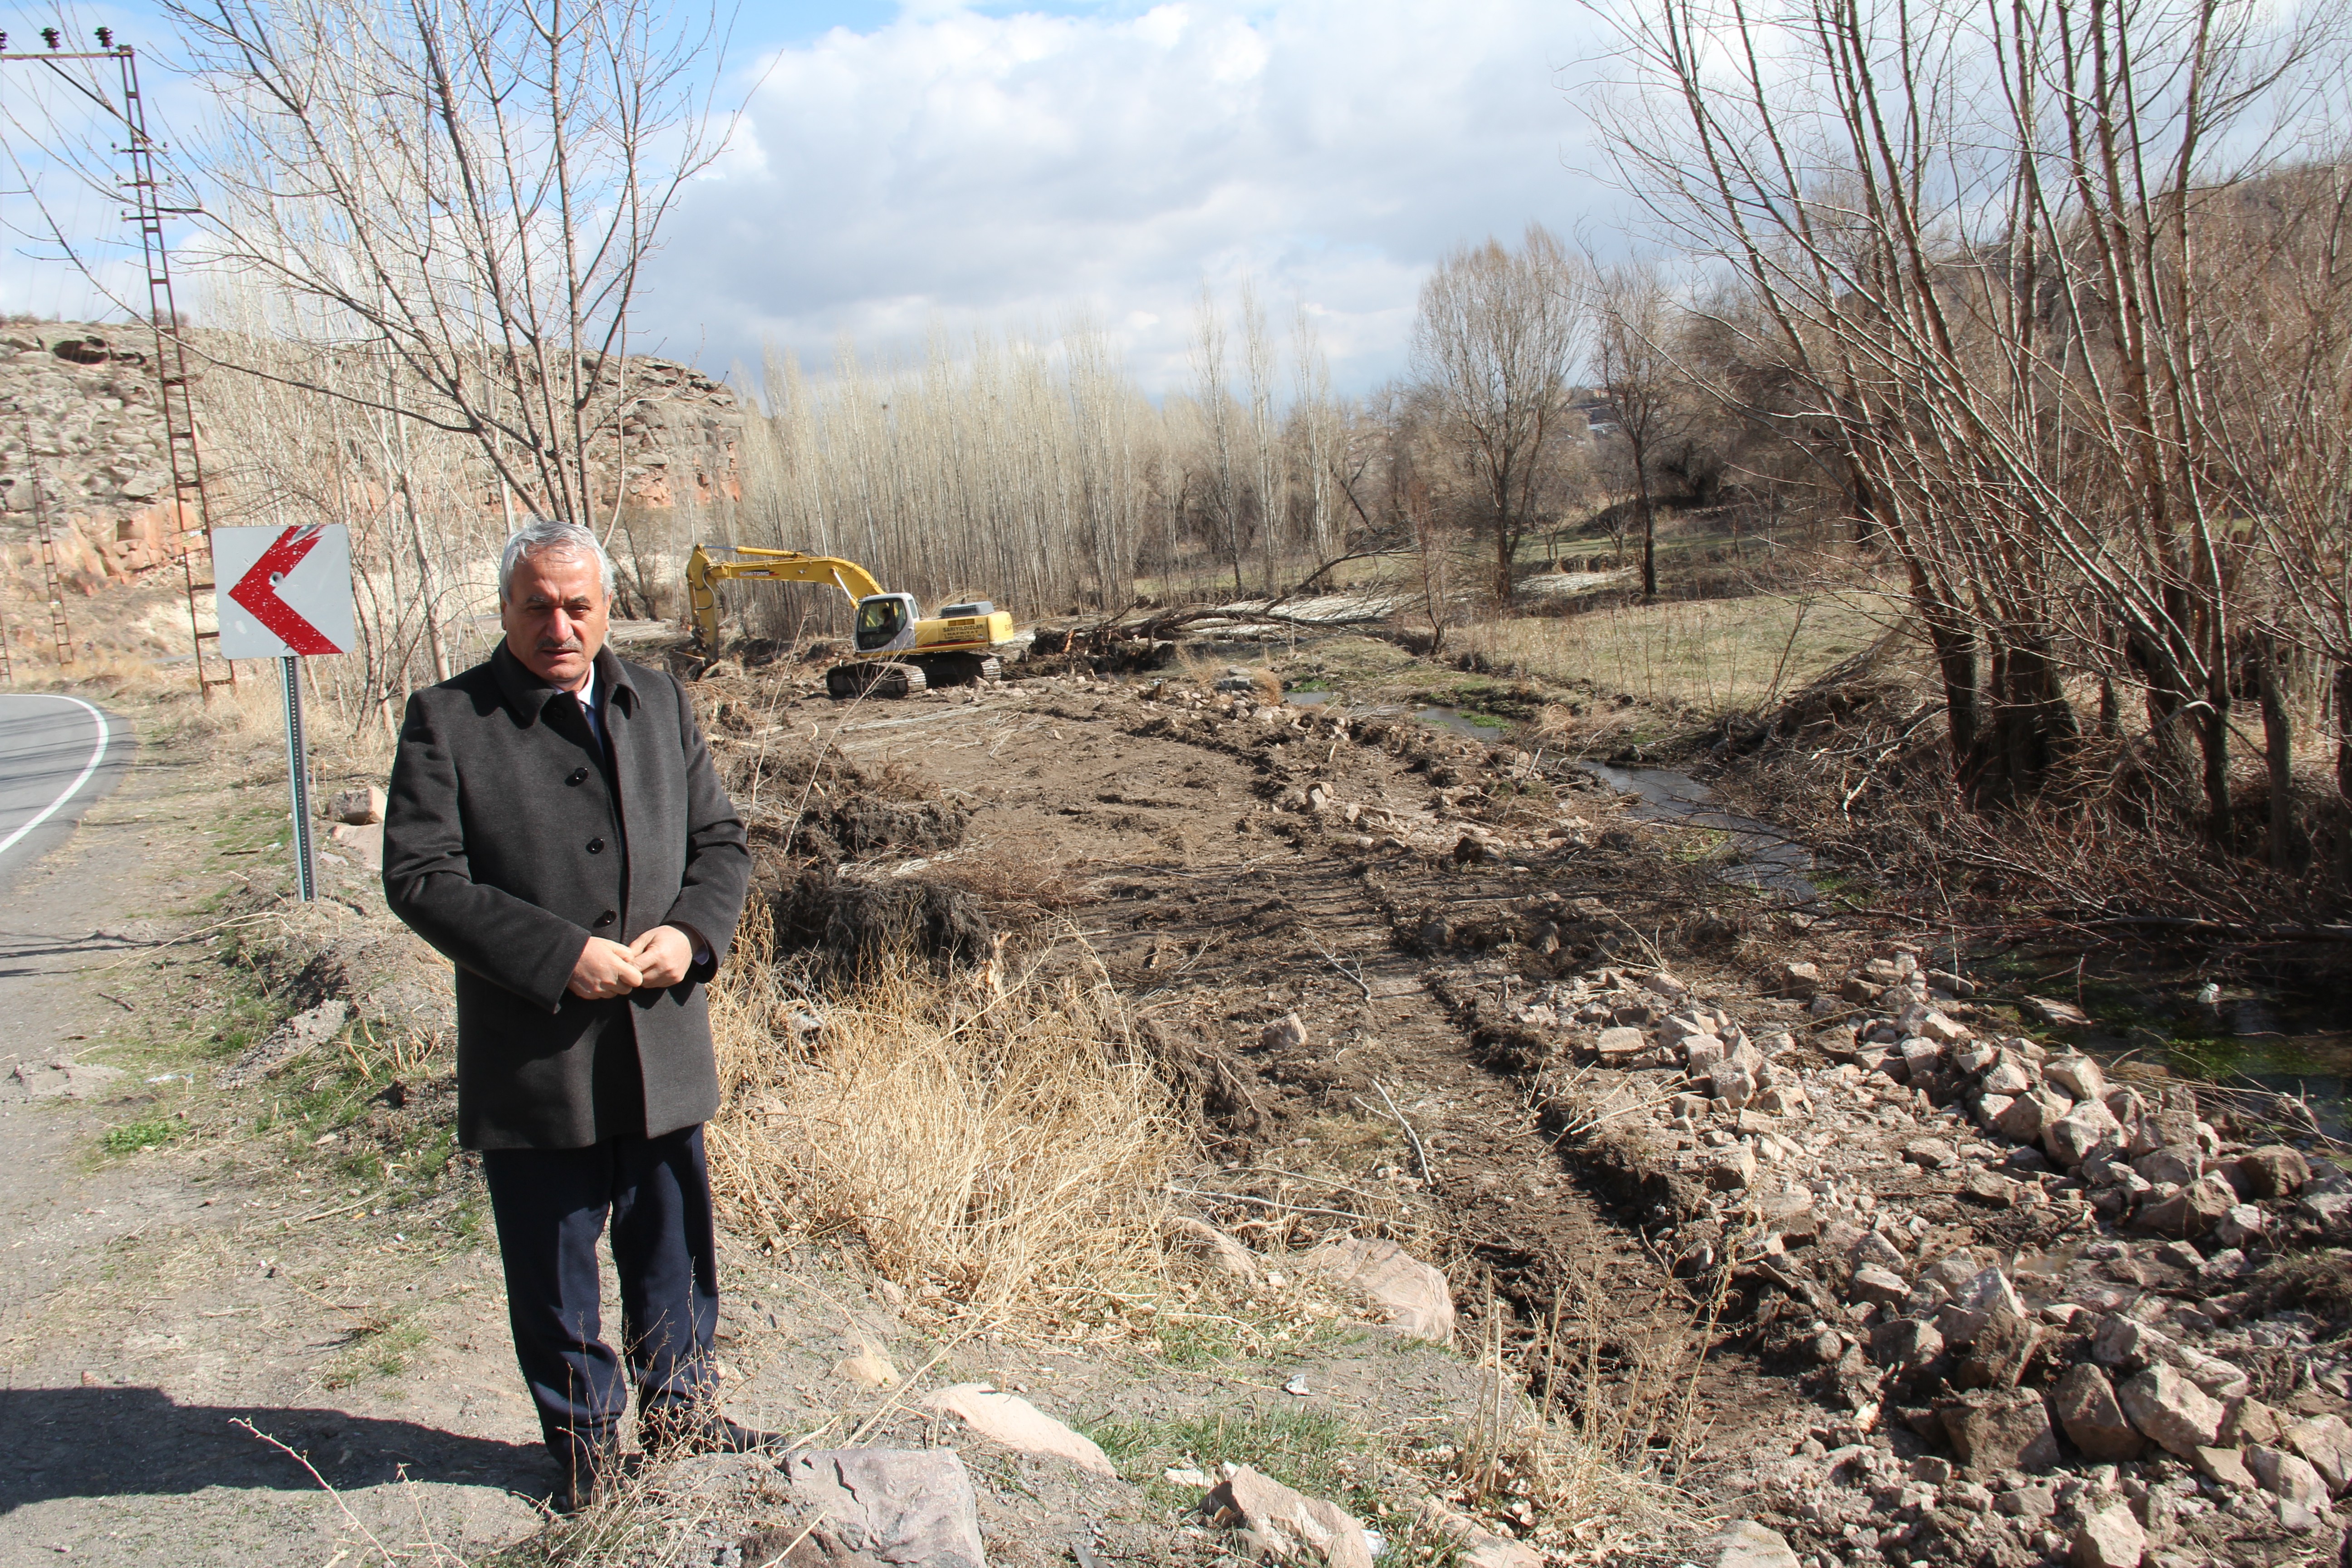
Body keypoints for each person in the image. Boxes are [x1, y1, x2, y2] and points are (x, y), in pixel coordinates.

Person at [382, 519, 760, 1510]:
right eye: (537, 606)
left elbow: (721, 843)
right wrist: (561, 956)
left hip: (660, 1040)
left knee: (672, 1242)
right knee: (554, 1266)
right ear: (506, 610)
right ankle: (586, 1452)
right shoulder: (448, 720)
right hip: (535, 1052)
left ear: (603, 609)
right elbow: (419, 878)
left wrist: (691, 934)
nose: (559, 625)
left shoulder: (658, 699)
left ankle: (683, 1416)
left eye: (578, 605)